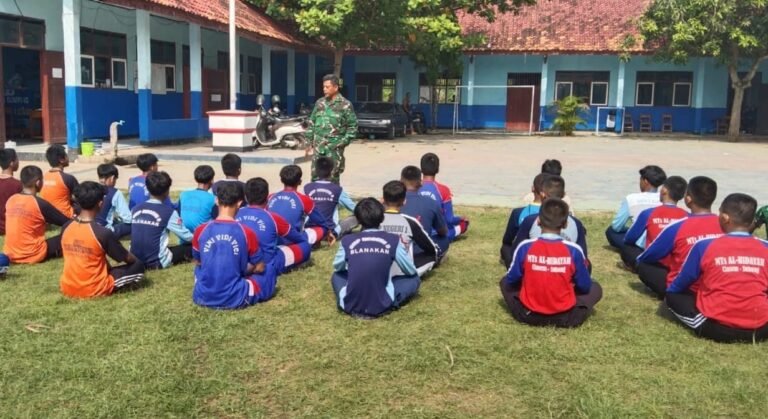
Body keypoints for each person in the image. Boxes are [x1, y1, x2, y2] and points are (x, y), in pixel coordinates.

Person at [666, 193, 768, 343]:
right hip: (761, 329)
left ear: (725, 218)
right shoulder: (765, 247)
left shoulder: (704, 245)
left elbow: (679, 285)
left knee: (672, 295)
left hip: (717, 328)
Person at [500, 198, 602, 328]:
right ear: (565, 224)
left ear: (538, 220)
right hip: (566, 316)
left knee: (504, 281)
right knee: (595, 288)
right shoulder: (574, 250)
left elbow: (511, 280)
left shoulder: (525, 247)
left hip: (528, 314)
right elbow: (584, 286)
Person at [330, 197, 420, 318]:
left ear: (358, 220)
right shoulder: (393, 240)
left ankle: (351, 296)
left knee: (336, 276)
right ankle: (390, 302)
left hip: (350, 305)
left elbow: (338, 267)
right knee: (414, 279)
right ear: (382, 218)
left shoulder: (347, 241)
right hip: (382, 304)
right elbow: (410, 270)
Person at [192, 182, 277, 309]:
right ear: (239, 203)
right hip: (235, 297)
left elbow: (198, 262)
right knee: (269, 269)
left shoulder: (201, 230)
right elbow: (259, 267)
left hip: (202, 296)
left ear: (216, 200)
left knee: (199, 269)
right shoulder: (246, 232)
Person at [636, 176, 722, 298]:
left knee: (644, 265)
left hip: (685, 287)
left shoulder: (677, 226)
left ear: (688, 199)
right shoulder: (725, 226)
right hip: (716, 284)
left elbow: (649, 256)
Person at [60, 181, 145, 298]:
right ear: (100, 204)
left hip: (67, 286)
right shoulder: (102, 232)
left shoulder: (66, 227)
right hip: (94, 289)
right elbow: (127, 258)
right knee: (139, 265)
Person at [509, 175, 590, 266]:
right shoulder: (576, 223)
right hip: (564, 275)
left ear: (542, 194)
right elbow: (584, 260)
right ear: (563, 195)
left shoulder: (530, 221)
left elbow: (515, 254)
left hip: (535, 274)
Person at [236, 177, 311, 273]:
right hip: (267, 264)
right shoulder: (272, 217)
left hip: (239, 261)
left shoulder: (235, 214)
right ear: (267, 196)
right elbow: (297, 238)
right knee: (305, 246)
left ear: (245, 197)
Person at [619, 176, 688, 270]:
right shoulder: (687, 216)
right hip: (677, 265)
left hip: (652, 264)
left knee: (626, 246)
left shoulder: (648, 213)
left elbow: (629, 239)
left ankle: (635, 266)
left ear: (664, 190)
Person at [4, 165, 70, 264]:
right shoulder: (39, 203)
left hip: (10, 253)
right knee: (69, 235)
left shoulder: (11, 200)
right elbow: (65, 222)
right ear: (38, 183)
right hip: (33, 253)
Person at [130, 171, 194, 269]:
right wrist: (201, 240)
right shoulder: (168, 212)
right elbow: (187, 236)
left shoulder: (136, 209)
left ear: (147, 189)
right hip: (156, 262)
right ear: (167, 191)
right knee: (190, 248)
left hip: (135, 259)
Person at [381, 180, 441, 276]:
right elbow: (430, 248)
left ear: (382, 199)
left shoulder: (373, 221)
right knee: (432, 255)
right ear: (404, 201)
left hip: (376, 267)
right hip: (402, 270)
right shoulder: (410, 222)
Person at [307, 74, 358, 183]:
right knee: (315, 178)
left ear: (335, 87)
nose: (324, 89)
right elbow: (312, 122)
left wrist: (342, 143)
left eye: (327, 87)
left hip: (334, 149)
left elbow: (353, 127)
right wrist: (309, 142)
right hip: (318, 149)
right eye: (323, 87)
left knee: (333, 179)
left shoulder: (345, 105)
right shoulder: (320, 103)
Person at [267, 165, 334, 245]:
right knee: (323, 228)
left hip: (271, 239)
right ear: (300, 181)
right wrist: (328, 232)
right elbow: (321, 221)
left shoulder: (270, 197)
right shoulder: (303, 199)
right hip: (293, 240)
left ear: (281, 180)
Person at [605, 165, 667, 252]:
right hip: (661, 240)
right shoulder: (665, 199)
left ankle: (632, 250)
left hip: (640, 242)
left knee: (611, 231)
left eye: (640, 180)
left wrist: (631, 229)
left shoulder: (631, 199)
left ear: (645, 181)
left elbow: (616, 226)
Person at [400, 165, 450, 258]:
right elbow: (443, 231)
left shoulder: (390, 202)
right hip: (419, 252)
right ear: (420, 183)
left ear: (400, 182)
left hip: (395, 247)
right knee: (444, 239)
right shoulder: (430, 202)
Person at [419, 152, 470, 241]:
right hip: (436, 233)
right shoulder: (443, 190)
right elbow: (449, 219)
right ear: (437, 169)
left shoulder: (413, 187)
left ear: (421, 169)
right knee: (463, 223)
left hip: (417, 230)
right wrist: (460, 218)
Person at [500, 173, 548, 267]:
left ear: (532, 188)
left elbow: (507, 240)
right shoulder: (560, 215)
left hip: (526, 258)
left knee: (505, 248)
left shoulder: (519, 213)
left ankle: (512, 270)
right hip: (551, 256)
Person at [303, 156, 356, 236]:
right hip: (331, 231)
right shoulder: (337, 190)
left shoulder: (307, 188)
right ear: (331, 171)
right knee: (356, 218)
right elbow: (354, 208)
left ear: (316, 171)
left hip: (310, 230)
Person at [40, 144, 79, 218]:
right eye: (66, 155)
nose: (68, 157)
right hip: (64, 217)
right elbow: (80, 197)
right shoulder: (68, 178)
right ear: (62, 160)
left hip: (46, 216)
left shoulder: (43, 177)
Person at [95, 163, 132, 239]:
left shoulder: (92, 188)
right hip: (105, 231)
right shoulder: (115, 193)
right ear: (112, 178)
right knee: (134, 224)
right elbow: (127, 218)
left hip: (90, 227)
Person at [178, 165, 217, 233]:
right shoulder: (213, 199)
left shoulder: (183, 195)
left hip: (184, 238)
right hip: (202, 240)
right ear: (211, 180)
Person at [0, 148, 23, 235]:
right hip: (10, 227)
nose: (18, 162)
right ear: (11, 163)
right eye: (17, 159)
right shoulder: (17, 185)